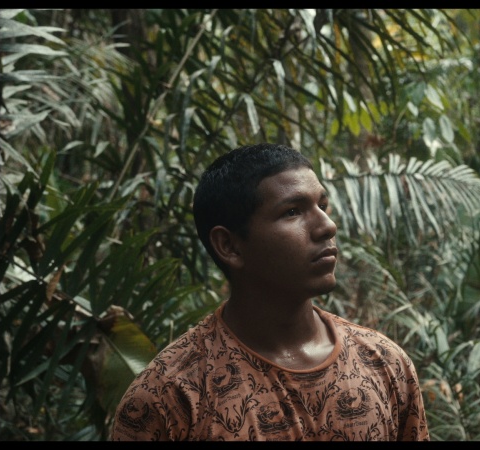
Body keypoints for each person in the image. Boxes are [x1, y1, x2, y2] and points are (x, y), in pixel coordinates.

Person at [110, 143, 430, 441]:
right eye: (292, 211)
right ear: (229, 246)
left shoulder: (383, 363)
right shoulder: (169, 396)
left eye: (322, 206)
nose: (327, 226)